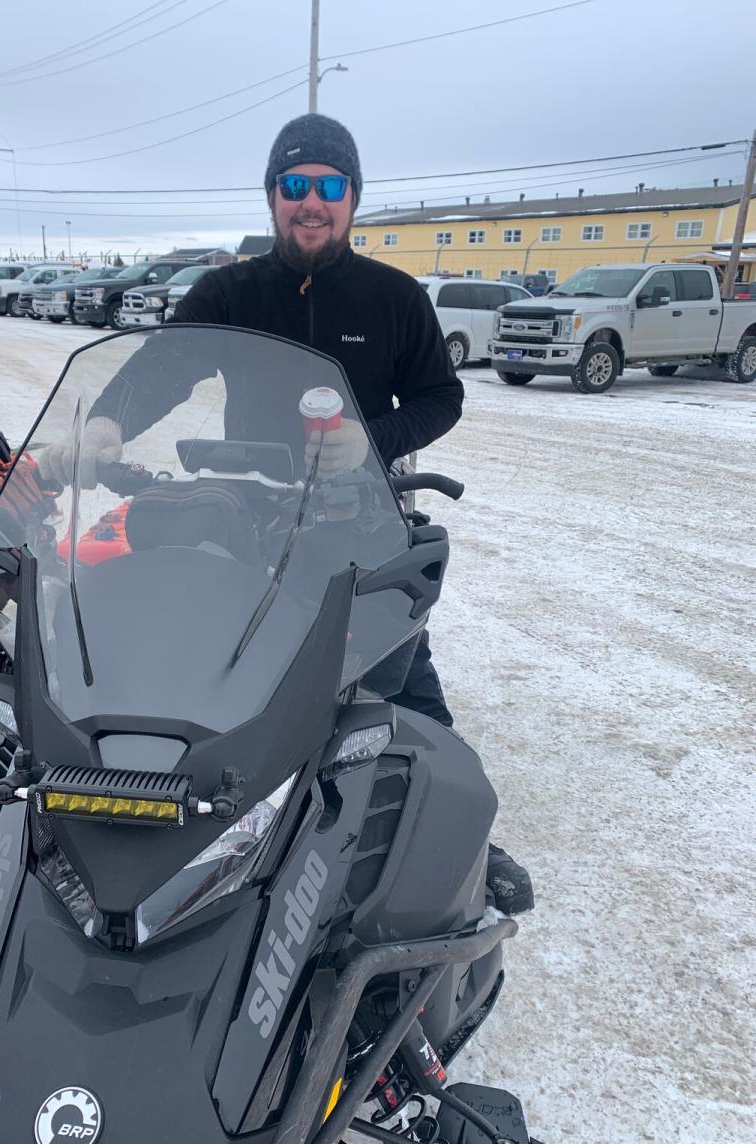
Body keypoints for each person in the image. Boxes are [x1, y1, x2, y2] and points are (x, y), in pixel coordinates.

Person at [49, 113, 533, 915]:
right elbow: (162, 365)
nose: (313, 202)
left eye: (330, 187)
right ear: (274, 196)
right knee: (238, 671)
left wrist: (372, 442)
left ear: (353, 200)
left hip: (358, 515)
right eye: (296, 186)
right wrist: (107, 422)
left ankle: (465, 839)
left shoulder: (393, 297)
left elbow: (440, 397)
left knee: (396, 674)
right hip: (249, 516)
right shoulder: (230, 290)